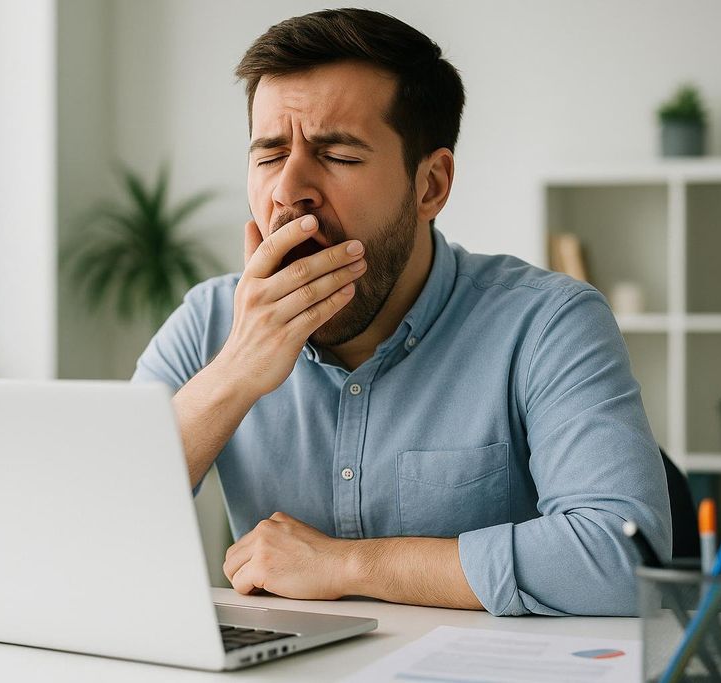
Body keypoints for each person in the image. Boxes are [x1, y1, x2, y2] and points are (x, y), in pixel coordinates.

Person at [132, 8, 670, 616]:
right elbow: (86, 524)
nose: (288, 190)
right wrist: (234, 372)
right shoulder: (208, 323)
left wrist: (344, 564)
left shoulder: (548, 323)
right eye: (269, 153)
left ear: (431, 185)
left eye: (337, 154)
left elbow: (627, 558)